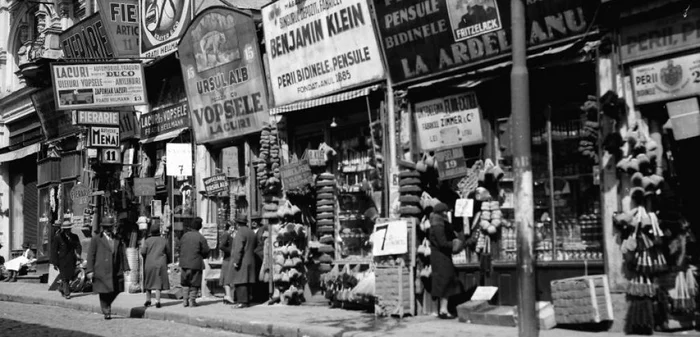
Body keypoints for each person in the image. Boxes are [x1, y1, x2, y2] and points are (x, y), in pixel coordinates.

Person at [86, 216, 129, 320]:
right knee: (103, 290)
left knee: (116, 289)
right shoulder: (96, 239)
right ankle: (106, 311)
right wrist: (90, 270)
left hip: (115, 269)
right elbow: (91, 255)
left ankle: (107, 305)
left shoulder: (117, 238)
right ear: (103, 228)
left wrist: (126, 267)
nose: (108, 229)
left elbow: (122, 254)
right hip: (101, 269)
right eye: (106, 227)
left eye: (109, 227)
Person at [428, 203, 462, 319]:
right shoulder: (438, 225)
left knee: (445, 281)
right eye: (445, 211)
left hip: (441, 256)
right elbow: (442, 243)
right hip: (440, 256)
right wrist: (453, 244)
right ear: (442, 212)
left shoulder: (439, 222)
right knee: (444, 281)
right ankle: (442, 309)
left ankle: (443, 309)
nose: (447, 213)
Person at [178, 217, 210, 307]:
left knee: (185, 283)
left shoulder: (184, 236)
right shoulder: (201, 237)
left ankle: (185, 300)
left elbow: (179, 247)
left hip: (184, 263)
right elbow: (205, 251)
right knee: (195, 283)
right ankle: (192, 300)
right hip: (196, 263)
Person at [229, 213, 257, 309]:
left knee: (240, 282)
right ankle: (247, 300)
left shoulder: (240, 232)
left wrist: (236, 261)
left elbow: (238, 248)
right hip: (250, 259)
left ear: (237, 224)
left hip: (242, 260)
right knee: (247, 281)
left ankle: (242, 302)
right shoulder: (251, 232)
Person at [140, 222, 170, 309]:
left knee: (148, 281)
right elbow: (168, 251)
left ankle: (148, 300)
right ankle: (157, 301)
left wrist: (147, 257)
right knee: (158, 282)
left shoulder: (147, 241)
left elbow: (143, 252)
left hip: (149, 263)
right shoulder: (163, 240)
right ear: (159, 231)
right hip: (160, 263)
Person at [50, 220, 82, 299]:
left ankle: (61, 288)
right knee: (65, 277)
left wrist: (78, 253)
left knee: (70, 275)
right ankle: (67, 293)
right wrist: (54, 262)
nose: (67, 231)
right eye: (66, 229)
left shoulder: (74, 237)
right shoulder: (58, 237)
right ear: (63, 229)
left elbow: (78, 246)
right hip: (62, 260)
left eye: (68, 229)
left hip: (71, 259)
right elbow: (54, 250)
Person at [218, 221, 235, 305]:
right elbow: (221, 246)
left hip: (228, 259)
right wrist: (230, 251)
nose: (233, 229)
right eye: (232, 227)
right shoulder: (226, 235)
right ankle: (228, 296)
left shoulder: (229, 235)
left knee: (227, 278)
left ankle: (227, 296)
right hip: (228, 259)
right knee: (227, 278)